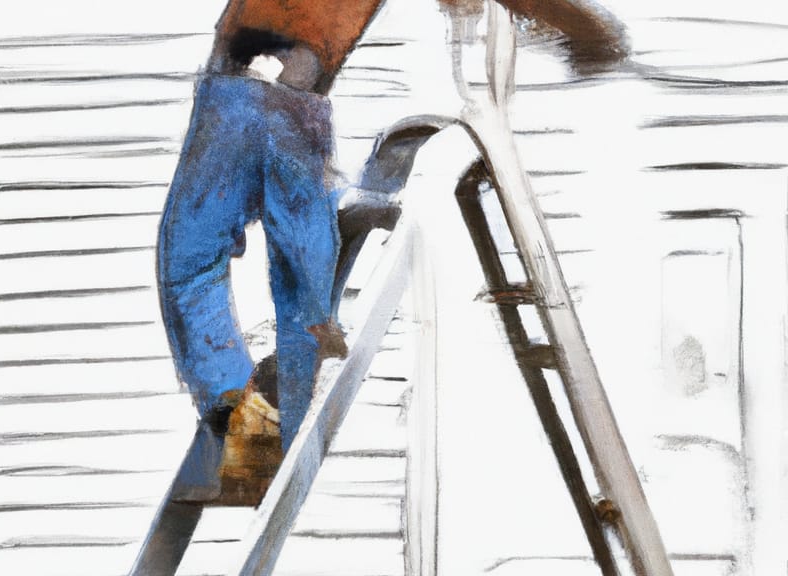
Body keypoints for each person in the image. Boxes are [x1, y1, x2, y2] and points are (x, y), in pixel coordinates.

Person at [158, 0, 628, 472]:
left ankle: (248, 426)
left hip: (244, 94)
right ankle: (261, 431)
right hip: (275, 98)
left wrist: (579, 28)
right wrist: (583, 31)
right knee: (296, 295)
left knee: (201, 271)